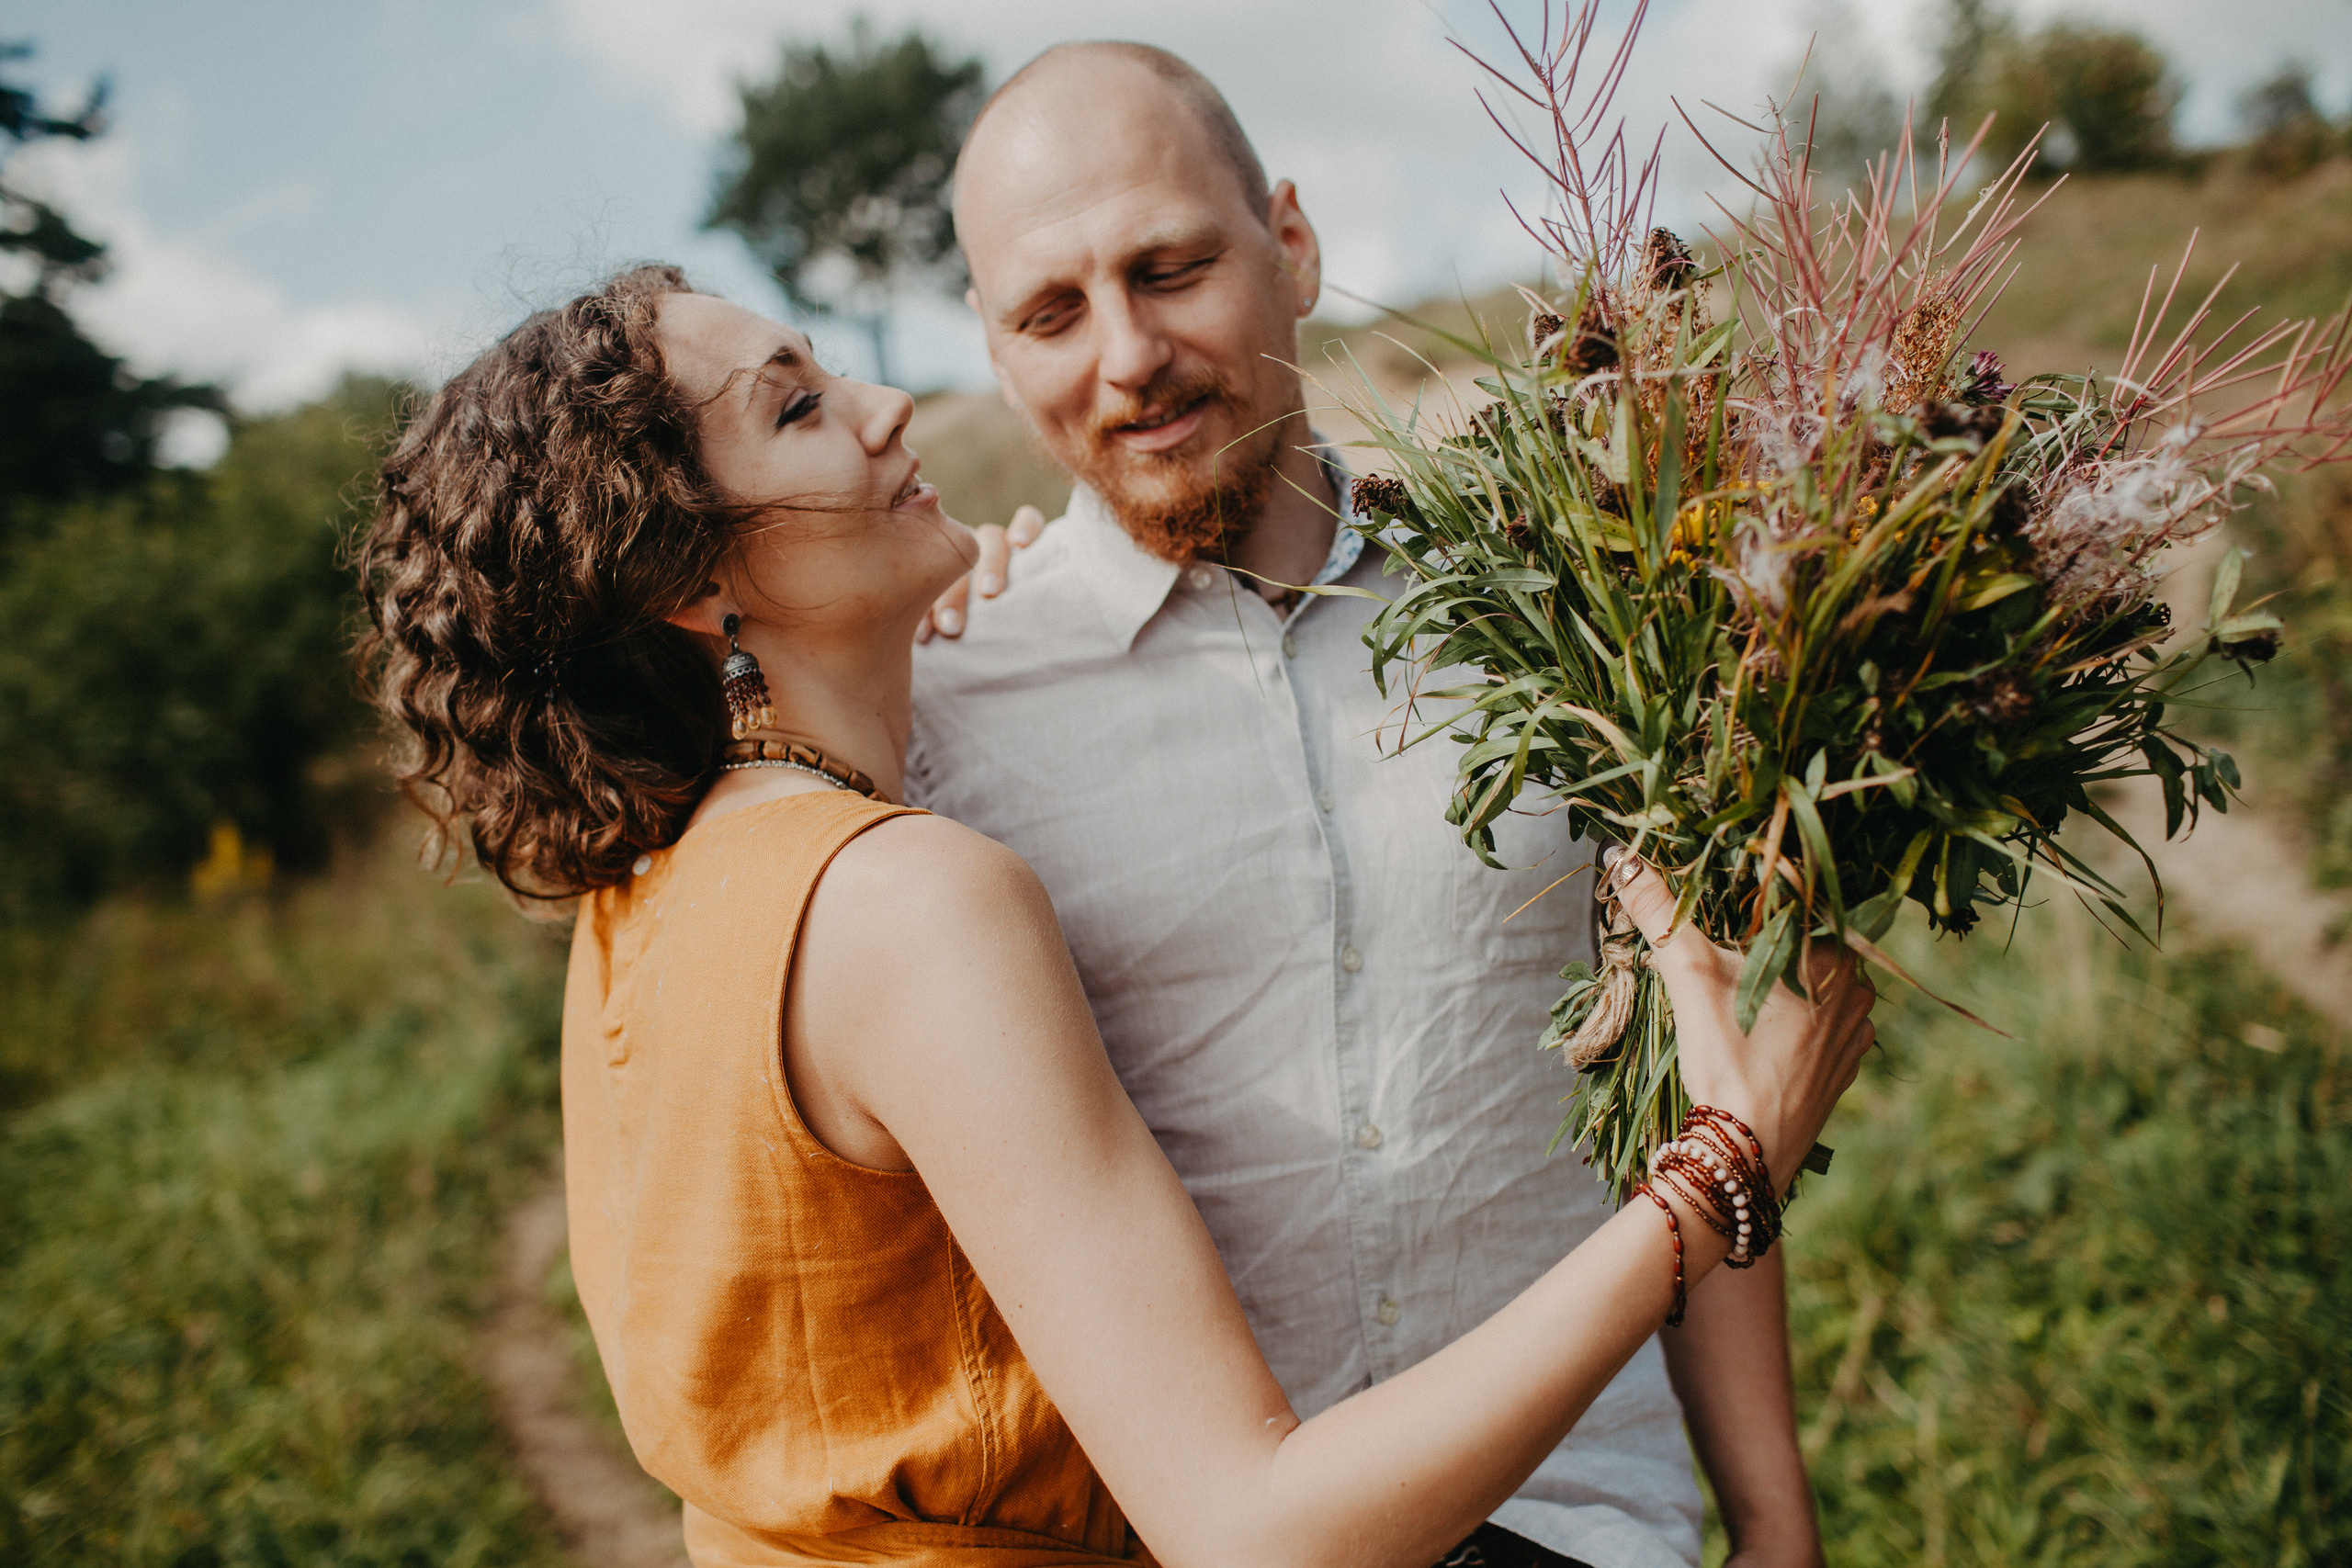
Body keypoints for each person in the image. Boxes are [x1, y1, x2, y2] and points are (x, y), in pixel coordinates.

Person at [356, 264, 1876, 1568]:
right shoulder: (906, 899)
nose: (886, 406)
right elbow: (1251, 1532)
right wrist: (1716, 1173)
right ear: (688, 581)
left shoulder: (657, 884)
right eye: (800, 407)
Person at [912, 43, 1820, 1568]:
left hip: (1594, 1530)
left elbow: (1695, 1083)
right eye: (1051, 313)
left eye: (1171, 269)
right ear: (997, 350)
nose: (1128, 355)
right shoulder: (943, 709)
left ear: (1294, 245)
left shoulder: (1567, 615)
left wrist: (1778, 1526)